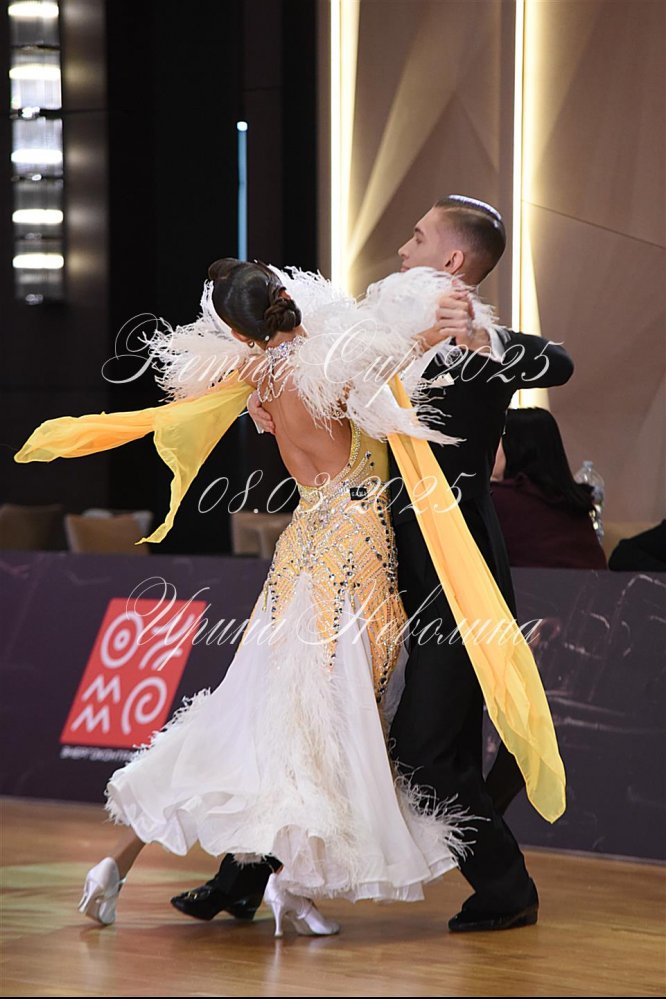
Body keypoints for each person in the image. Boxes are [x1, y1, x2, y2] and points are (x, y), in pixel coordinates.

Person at [16, 258, 565, 935]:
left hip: (301, 550)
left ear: (239, 332)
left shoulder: (255, 376)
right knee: (328, 719)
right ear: (284, 297)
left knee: (263, 709)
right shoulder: (329, 363)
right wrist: (446, 329)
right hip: (355, 550)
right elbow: (402, 357)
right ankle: (290, 885)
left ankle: (139, 867)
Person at [235, 195, 574, 933]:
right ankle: (244, 875)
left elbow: (560, 361)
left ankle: (507, 889)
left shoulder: (474, 348)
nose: (402, 248)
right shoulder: (383, 338)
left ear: (451, 259)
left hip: (457, 580)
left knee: (424, 753)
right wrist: (267, 397)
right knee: (332, 723)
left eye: (417, 237)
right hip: (384, 573)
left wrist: (481, 338)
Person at [490, 407, 607, 569]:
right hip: (591, 585)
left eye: (495, 441)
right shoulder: (574, 501)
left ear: (515, 447)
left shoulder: (500, 500)